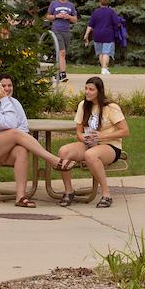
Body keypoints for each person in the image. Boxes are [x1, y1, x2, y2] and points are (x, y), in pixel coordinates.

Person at [0, 74, 69, 208]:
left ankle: (20, 197)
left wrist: (7, 102)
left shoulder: (15, 103)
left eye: (9, 85)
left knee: (21, 151)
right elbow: (11, 126)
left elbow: (23, 127)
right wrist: (4, 100)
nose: (7, 88)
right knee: (15, 133)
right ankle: (53, 160)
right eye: (3, 86)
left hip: (6, 146)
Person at [57, 76, 130, 208]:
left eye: (91, 89)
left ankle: (106, 194)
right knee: (64, 151)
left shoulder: (110, 107)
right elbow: (78, 131)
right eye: (86, 88)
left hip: (110, 146)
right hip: (89, 144)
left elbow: (125, 131)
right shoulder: (83, 105)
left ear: (99, 91)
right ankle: (69, 191)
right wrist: (82, 137)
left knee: (90, 155)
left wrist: (101, 136)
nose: (87, 92)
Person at [45, 0, 78, 83]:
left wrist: (69, 17)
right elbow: (48, 16)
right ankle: (62, 73)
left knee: (63, 53)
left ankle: (58, 73)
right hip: (56, 30)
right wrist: (56, 16)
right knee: (61, 52)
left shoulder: (71, 5)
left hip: (66, 30)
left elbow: (75, 20)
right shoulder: (54, 4)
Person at [84, 0, 121, 76]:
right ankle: (104, 69)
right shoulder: (111, 12)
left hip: (97, 35)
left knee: (100, 52)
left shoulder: (95, 12)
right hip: (108, 34)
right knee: (106, 52)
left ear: (99, 3)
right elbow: (117, 23)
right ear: (107, 3)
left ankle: (104, 68)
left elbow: (90, 25)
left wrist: (86, 35)